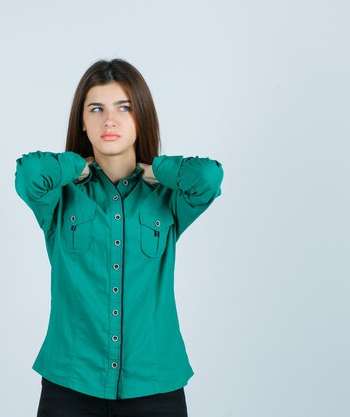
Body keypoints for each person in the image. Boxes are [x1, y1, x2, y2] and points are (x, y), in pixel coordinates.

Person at [14, 58, 224, 417]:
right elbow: (30, 172)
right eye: (96, 108)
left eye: (123, 107)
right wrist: (75, 165)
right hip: (71, 384)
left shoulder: (166, 200)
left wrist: (157, 169)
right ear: (82, 121)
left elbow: (207, 178)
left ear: (140, 116)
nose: (109, 120)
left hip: (155, 386)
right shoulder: (60, 198)